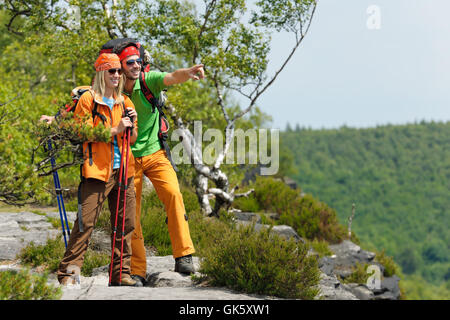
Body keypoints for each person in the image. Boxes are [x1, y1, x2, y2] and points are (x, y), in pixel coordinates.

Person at [113, 41, 205, 286]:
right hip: (127, 156)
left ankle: (184, 254)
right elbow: (87, 98)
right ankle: (137, 269)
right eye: (129, 62)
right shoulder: (114, 88)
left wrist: (189, 72)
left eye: (138, 61)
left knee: (173, 194)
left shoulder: (148, 80)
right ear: (119, 66)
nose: (135, 66)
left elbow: (173, 77)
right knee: (132, 214)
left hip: (156, 152)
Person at [56, 53, 139, 287]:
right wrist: (115, 128)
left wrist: (130, 123)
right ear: (102, 72)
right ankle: (69, 273)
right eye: (111, 70)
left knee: (125, 223)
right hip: (96, 171)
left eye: (119, 71)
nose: (116, 75)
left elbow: (132, 139)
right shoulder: (89, 100)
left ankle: (120, 274)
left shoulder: (126, 102)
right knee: (85, 223)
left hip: (124, 170)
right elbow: (81, 133)